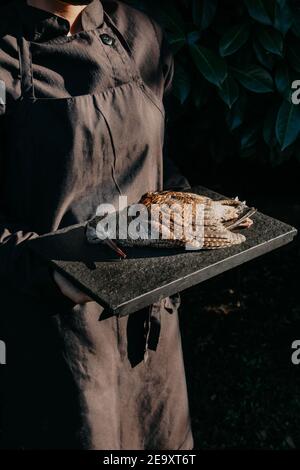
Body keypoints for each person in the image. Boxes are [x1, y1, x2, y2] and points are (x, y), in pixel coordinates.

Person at [0, 0, 193, 450]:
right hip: (56, 338)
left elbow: (157, 163)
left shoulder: (142, 34)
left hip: (152, 333)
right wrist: (50, 271)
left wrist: (187, 213)